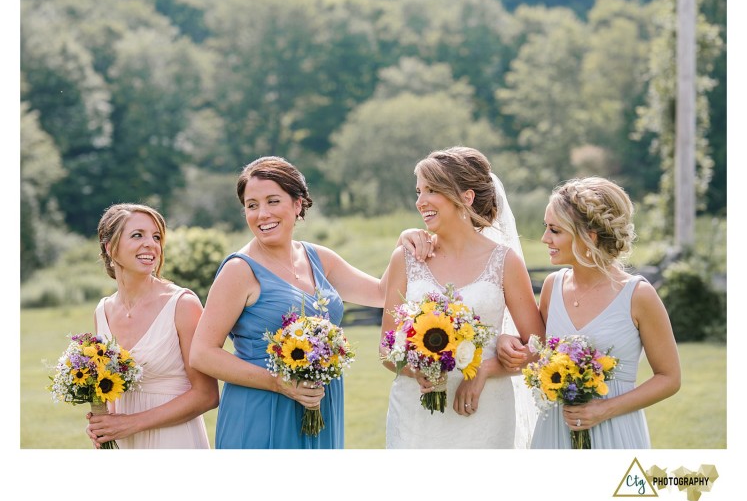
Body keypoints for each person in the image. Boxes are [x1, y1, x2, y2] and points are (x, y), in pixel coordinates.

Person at [189, 155, 433, 449]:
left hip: (321, 403)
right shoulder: (239, 270)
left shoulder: (319, 258)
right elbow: (202, 354)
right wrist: (278, 382)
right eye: (251, 206)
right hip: (261, 408)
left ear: (297, 204)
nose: (261, 214)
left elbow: (381, 293)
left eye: (272, 201)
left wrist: (403, 240)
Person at [380, 147, 543, 449]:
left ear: (466, 197)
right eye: (418, 191)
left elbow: (538, 349)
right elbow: (385, 349)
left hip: (484, 412)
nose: (420, 201)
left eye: (432, 190)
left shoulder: (504, 262)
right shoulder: (406, 258)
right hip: (415, 414)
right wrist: (414, 369)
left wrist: (483, 371)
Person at [500, 177, 681, 449]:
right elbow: (537, 354)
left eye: (554, 230)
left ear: (589, 236)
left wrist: (605, 409)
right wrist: (506, 342)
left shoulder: (638, 295)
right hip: (555, 429)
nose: (544, 238)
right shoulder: (553, 286)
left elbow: (670, 378)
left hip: (615, 431)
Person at [86, 203, 219, 449]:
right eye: (138, 235)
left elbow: (208, 395)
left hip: (175, 439)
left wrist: (133, 423)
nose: (151, 244)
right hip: (126, 441)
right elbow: (111, 388)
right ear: (110, 247)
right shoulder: (102, 311)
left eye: (156, 237)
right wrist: (103, 424)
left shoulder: (182, 304)